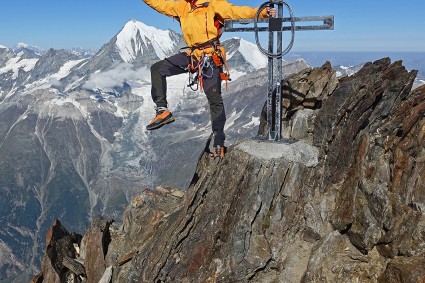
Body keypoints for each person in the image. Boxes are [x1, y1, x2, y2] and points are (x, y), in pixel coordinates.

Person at [142, 0, 276, 157]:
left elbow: (236, 11)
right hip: (192, 55)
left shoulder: (213, 3)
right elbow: (161, 4)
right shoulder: (182, 6)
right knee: (158, 69)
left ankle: (219, 140)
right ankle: (162, 111)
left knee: (214, 99)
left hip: (210, 57)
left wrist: (260, 13)